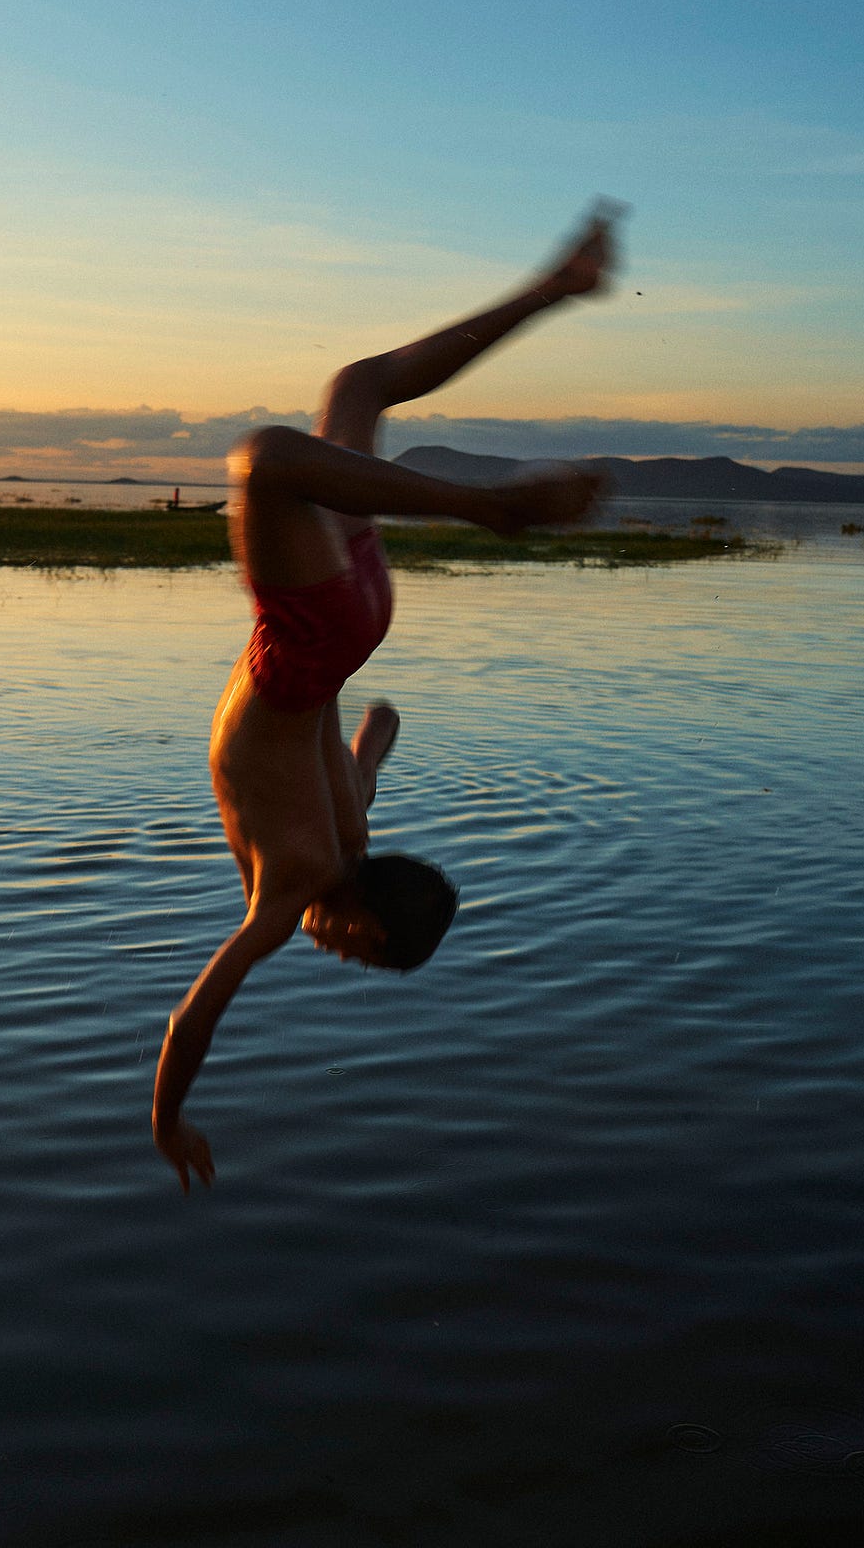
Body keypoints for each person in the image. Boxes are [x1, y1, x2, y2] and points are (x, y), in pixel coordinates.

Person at [151, 203, 625, 1191]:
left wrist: (350, 748)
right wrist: (169, 1114)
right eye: (360, 958)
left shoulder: (355, 829)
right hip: (311, 637)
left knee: (357, 384)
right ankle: (484, 505)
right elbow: (193, 1014)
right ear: (363, 923)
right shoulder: (287, 895)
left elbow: (382, 726)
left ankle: (559, 285)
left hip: (356, 627)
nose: (336, 957)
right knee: (267, 459)